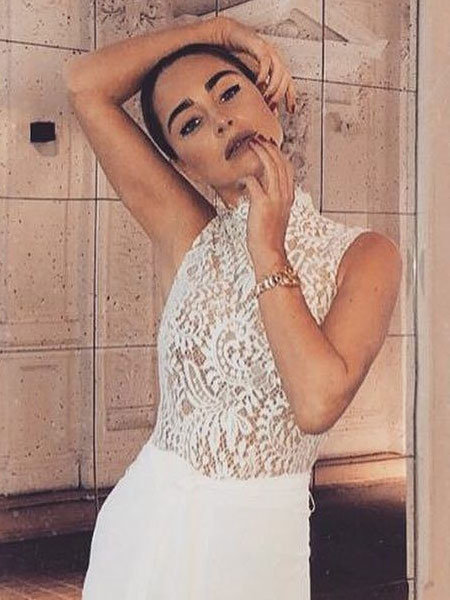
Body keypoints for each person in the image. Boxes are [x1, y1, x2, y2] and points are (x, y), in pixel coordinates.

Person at [64, 14, 402, 600]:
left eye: (228, 92)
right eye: (191, 123)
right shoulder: (187, 233)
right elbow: (83, 84)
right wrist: (219, 31)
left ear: (269, 100)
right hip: (146, 527)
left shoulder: (365, 255)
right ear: (182, 163)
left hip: (254, 548)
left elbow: (316, 402)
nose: (220, 118)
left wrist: (268, 247)